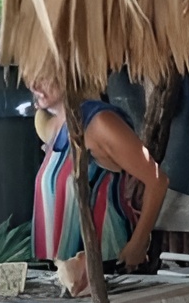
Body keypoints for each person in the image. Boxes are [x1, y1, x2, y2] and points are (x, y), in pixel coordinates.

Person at [28, 78, 169, 270]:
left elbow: (157, 181)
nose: (35, 85)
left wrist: (137, 243)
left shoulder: (99, 122)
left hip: (105, 270)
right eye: (30, 74)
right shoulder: (56, 127)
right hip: (60, 272)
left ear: (70, 71)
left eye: (44, 75)